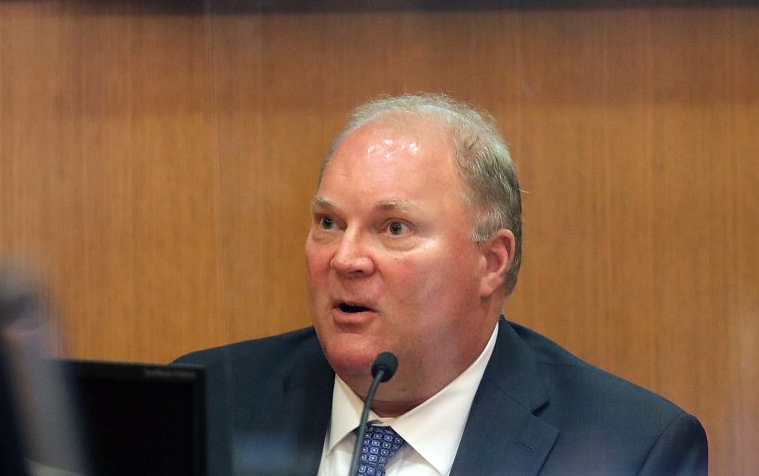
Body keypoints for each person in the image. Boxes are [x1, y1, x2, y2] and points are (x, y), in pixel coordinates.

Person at [176, 94, 708, 475]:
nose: (345, 258)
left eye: (394, 228)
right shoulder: (203, 402)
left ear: (491, 262)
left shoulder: (632, 450)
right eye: (329, 223)